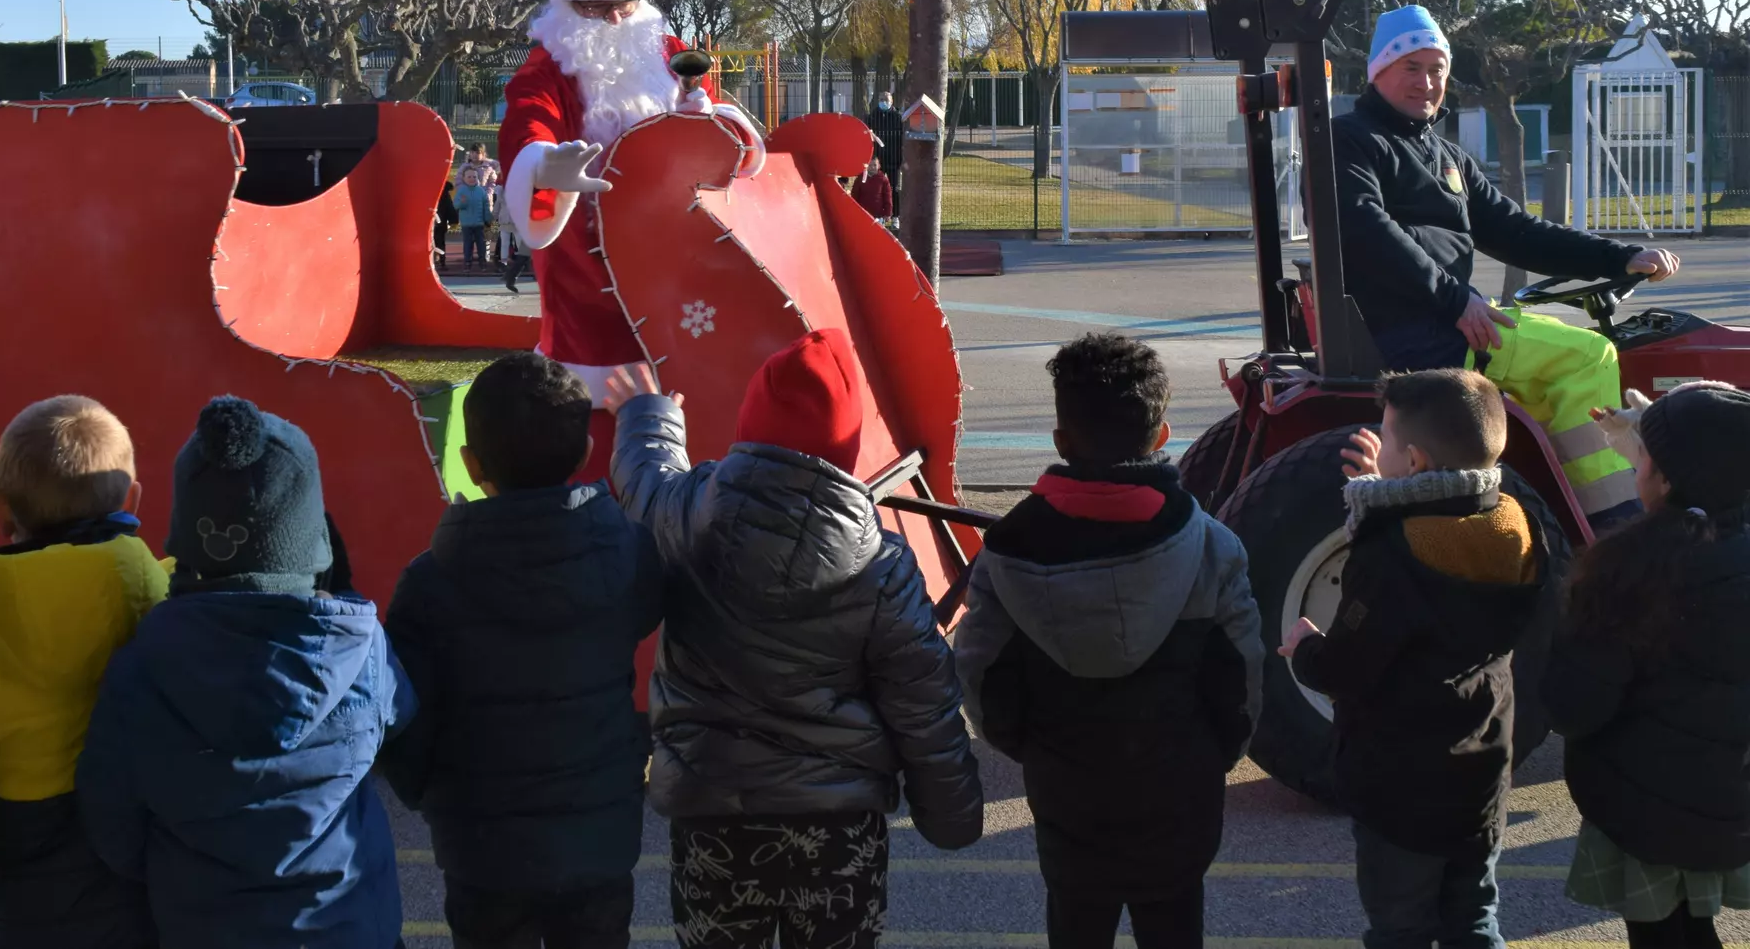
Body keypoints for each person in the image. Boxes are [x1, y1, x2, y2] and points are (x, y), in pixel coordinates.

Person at [605, 329, 983, 949]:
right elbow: (924, 701)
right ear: (846, 448)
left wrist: (648, 415)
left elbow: (645, 478)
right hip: (837, 825)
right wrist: (953, 813)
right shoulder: (881, 566)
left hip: (711, 807)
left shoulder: (685, 512)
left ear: (749, 430)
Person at [952, 333, 1262, 949]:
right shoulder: (1210, 547)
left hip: (1065, 786)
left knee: (1075, 918)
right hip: (1180, 788)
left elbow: (980, 676)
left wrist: (1030, 747)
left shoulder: (1007, 554)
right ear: (1162, 434)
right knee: (1175, 923)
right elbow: (1242, 678)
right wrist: (1213, 756)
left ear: (1061, 440)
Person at [78, 397, 415, 949]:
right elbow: (400, 718)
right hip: (349, 929)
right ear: (311, 539)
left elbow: (111, 817)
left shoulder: (140, 666)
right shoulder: (362, 648)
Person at [1334, 4, 1682, 525]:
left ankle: (1557, 517)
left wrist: (1620, 256)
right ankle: (1618, 522)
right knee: (1589, 357)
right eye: (1411, 67)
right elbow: (1367, 232)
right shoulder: (1354, 140)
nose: (1426, 82)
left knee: (1552, 384)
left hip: (1443, 316)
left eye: (1437, 69)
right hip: (1419, 329)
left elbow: (1516, 232)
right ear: (1379, 71)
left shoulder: (1444, 154)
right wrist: (1455, 300)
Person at [381, 354, 663, 949]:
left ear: (470, 463)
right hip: (600, 836)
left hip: (483, 849)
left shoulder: (430, 583)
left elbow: (410, 716)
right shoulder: (628, 552)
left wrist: (420, 792)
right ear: (586, 453)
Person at [1281, 369, 1551, 949]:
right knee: (1475, 920)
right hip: (1481, 775)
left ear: (1418, 463)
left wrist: (1305, 649)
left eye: (1388, 436)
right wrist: (1386, 489)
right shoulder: (1516, 525)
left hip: (1400, 790)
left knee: (1399, 929)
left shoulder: (1393, 553)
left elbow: (1347, 670)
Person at [0, 396, 167, 949]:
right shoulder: (170, 606)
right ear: (134, 499)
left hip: (23, 887)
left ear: (1, 509)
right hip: (148, 869)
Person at [497, 0, 765, 437]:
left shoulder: (664, 52)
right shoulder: (546, 70)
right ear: (566, 9)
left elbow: (714, 110)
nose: (616, 22)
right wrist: (544, 164)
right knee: (597, 375)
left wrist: (710, 123)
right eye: (597, 10)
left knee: (689, 361)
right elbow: (528, 126)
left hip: (677, 248)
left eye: (625, 8)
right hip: (591, 256)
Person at [1545, 382, 1750, 949]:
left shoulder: (1626, 576)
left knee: (1660, 934)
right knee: (1696, 928)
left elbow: (1573, 704)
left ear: (1663, 480)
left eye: (1643, 459)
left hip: (1640, 806)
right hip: (1725, 799)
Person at [865, 92, 903, 213]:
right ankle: (879, 214)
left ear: (891, 101)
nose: (883, 102)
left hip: (894, 159)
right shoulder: (872, 116)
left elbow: (902, 139)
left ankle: (895, 215)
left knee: (894, 188)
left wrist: (901, 159)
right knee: (876, 188)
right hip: (877, 160)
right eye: (881, 99)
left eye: (886, 99)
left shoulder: (898, 117)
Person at [454, 166, 494, 269]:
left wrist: (488, 218)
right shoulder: (461, 191)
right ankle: (467, 262)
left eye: (474, 177)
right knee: (468, 244)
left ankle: (482, 262)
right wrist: (462, 203)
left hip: (479, 223)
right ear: (464, 178)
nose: (472, 179)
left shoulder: (481, 191)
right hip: (466, 224)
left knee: (481, 244)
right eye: (469, 177)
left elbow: (486, 206)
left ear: (478, 178)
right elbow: (456, 205)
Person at [852, 156, 895, 222]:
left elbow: (888, 197)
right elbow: (854, 195)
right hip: (862, 214)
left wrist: (888, 213)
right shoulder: (860, 178)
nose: (872, 167)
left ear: (879, 166)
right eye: (870, 165)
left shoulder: (883, 179)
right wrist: (854, 210)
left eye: (875, 165)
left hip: (878, 216)